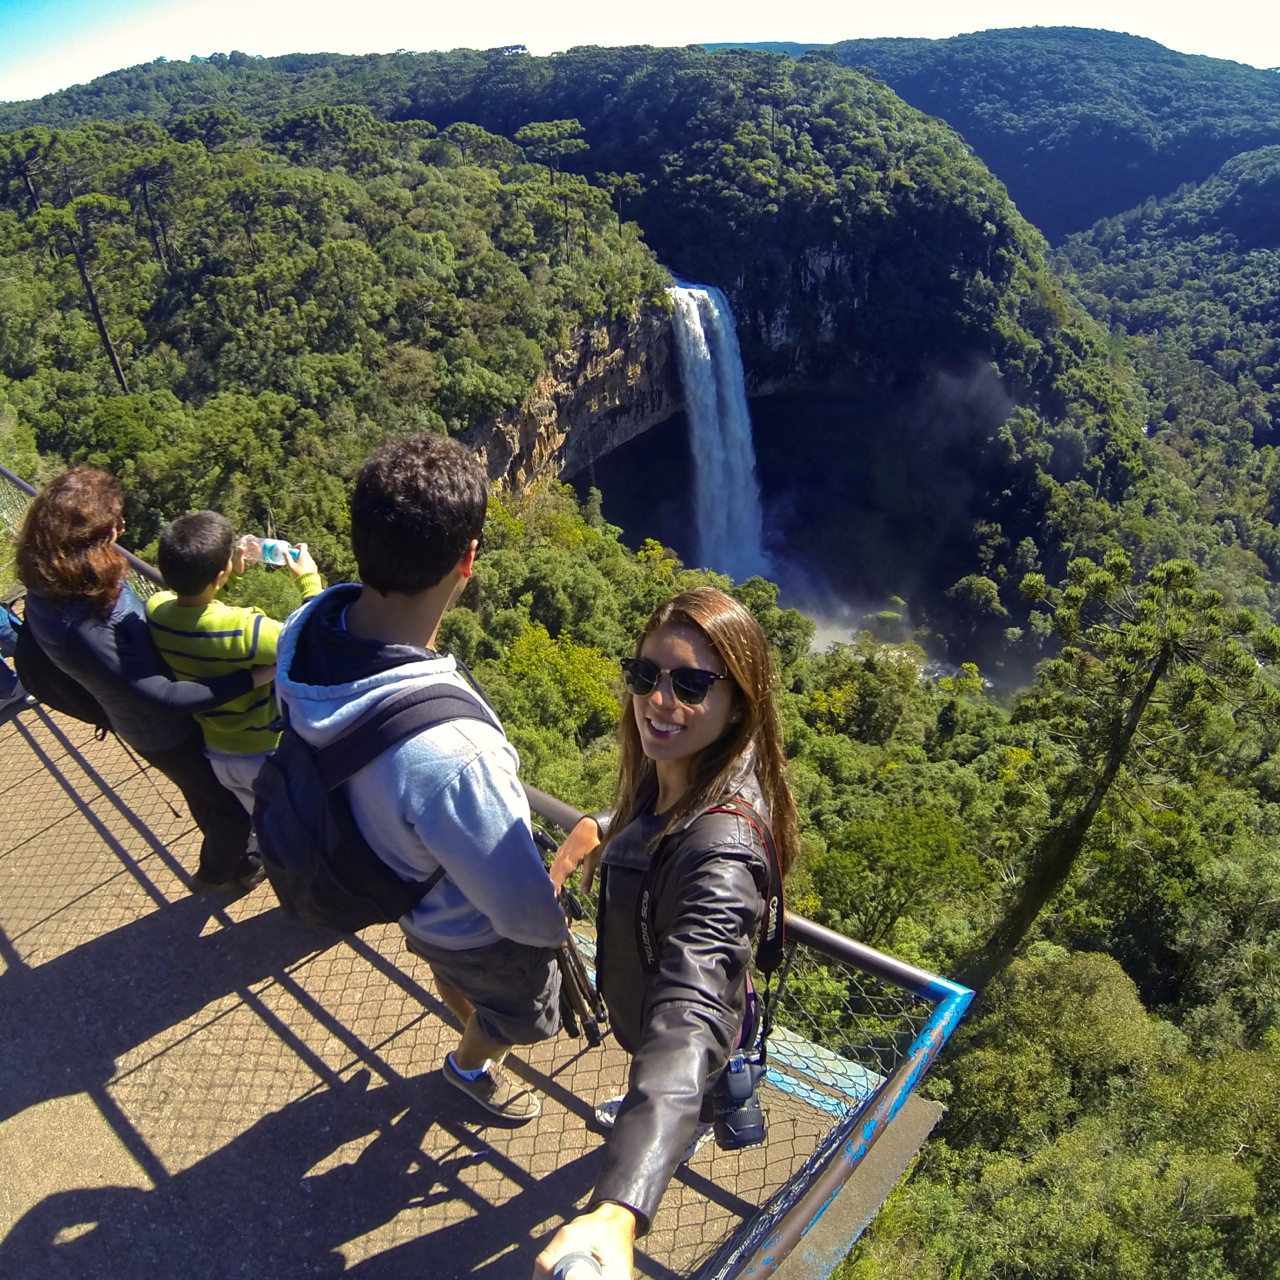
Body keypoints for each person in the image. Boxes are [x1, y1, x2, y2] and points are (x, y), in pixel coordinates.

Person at [272, 433, 567, 1122]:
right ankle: (468, 1069)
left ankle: (464, 1026)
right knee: (520, 1013)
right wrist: (570, 865)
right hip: (470, 931)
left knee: (448, 971)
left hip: (398, 891)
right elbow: (527, 918)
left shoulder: (305, 632)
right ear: (467, 559)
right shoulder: (456, 753)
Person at [534, 587, 799, 1280]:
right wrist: (604, 823)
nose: (660, 699)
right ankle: (653, 1114)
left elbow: (690, 1017)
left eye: (690, 684)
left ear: (738, 701)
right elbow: (657, 826)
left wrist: (617, 1209)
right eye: (647, 676)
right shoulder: (678, 777)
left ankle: (673, 1135)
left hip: (675, 1019)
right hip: (641, 1003)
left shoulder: (725, 851)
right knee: (651, 1068)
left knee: (685, 1082)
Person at [15, 468, 273, 891]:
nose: (123, 528)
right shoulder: (82, 623)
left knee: (204, 795)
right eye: (114, 525)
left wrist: (219, 573)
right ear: (86, 540)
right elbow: (163, 696)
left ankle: (232, 860)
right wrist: (252, 678)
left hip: (149, 723)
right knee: (229, 809)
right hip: (162, 730)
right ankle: (216, 875)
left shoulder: (50, 583)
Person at [146, 510, 324, 815]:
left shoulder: (156, 611)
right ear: (219, 574)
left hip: (218, 751)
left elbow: (191, 608)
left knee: (257, 816)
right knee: (292, 821)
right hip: (264, 749)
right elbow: (313, 637)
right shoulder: (244, 630)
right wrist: (309, 580)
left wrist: (227, 577)